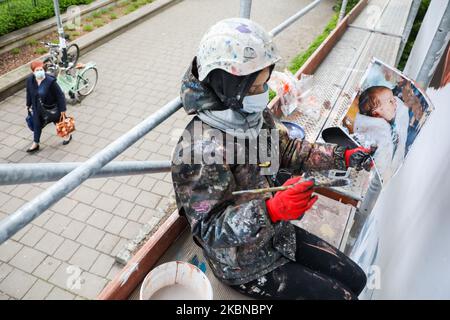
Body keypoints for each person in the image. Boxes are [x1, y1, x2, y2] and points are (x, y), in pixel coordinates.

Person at [171, 18, 374, 300]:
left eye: (264, 82)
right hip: (243, 263)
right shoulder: (199, 150)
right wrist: (272, 210)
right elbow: (210, 231)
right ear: (229, 85)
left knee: (358, 278)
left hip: (277, 235)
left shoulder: (251, 115)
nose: (263, 93)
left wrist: (343, 156)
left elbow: (285, 151)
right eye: (255, 87)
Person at [355, 84, 409, 182]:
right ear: (377, 113)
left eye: (394, 99)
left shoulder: (390, 121)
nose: (395, 102)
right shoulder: (375, 133)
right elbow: (382, 165)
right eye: (390, 101)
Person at [25, 60, 72, 153]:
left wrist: (63, 109)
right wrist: (28, 104)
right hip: (37, 108)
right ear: (33, 72)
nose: (39, 71)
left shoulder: (50, 81)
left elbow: (60, 95)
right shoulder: (30, 80)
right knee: (37, 124)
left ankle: (67, 136)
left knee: (59, 122)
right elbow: (29, 93)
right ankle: (36, 143)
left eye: (41, 69)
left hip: (52, 107)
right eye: (37, 70)